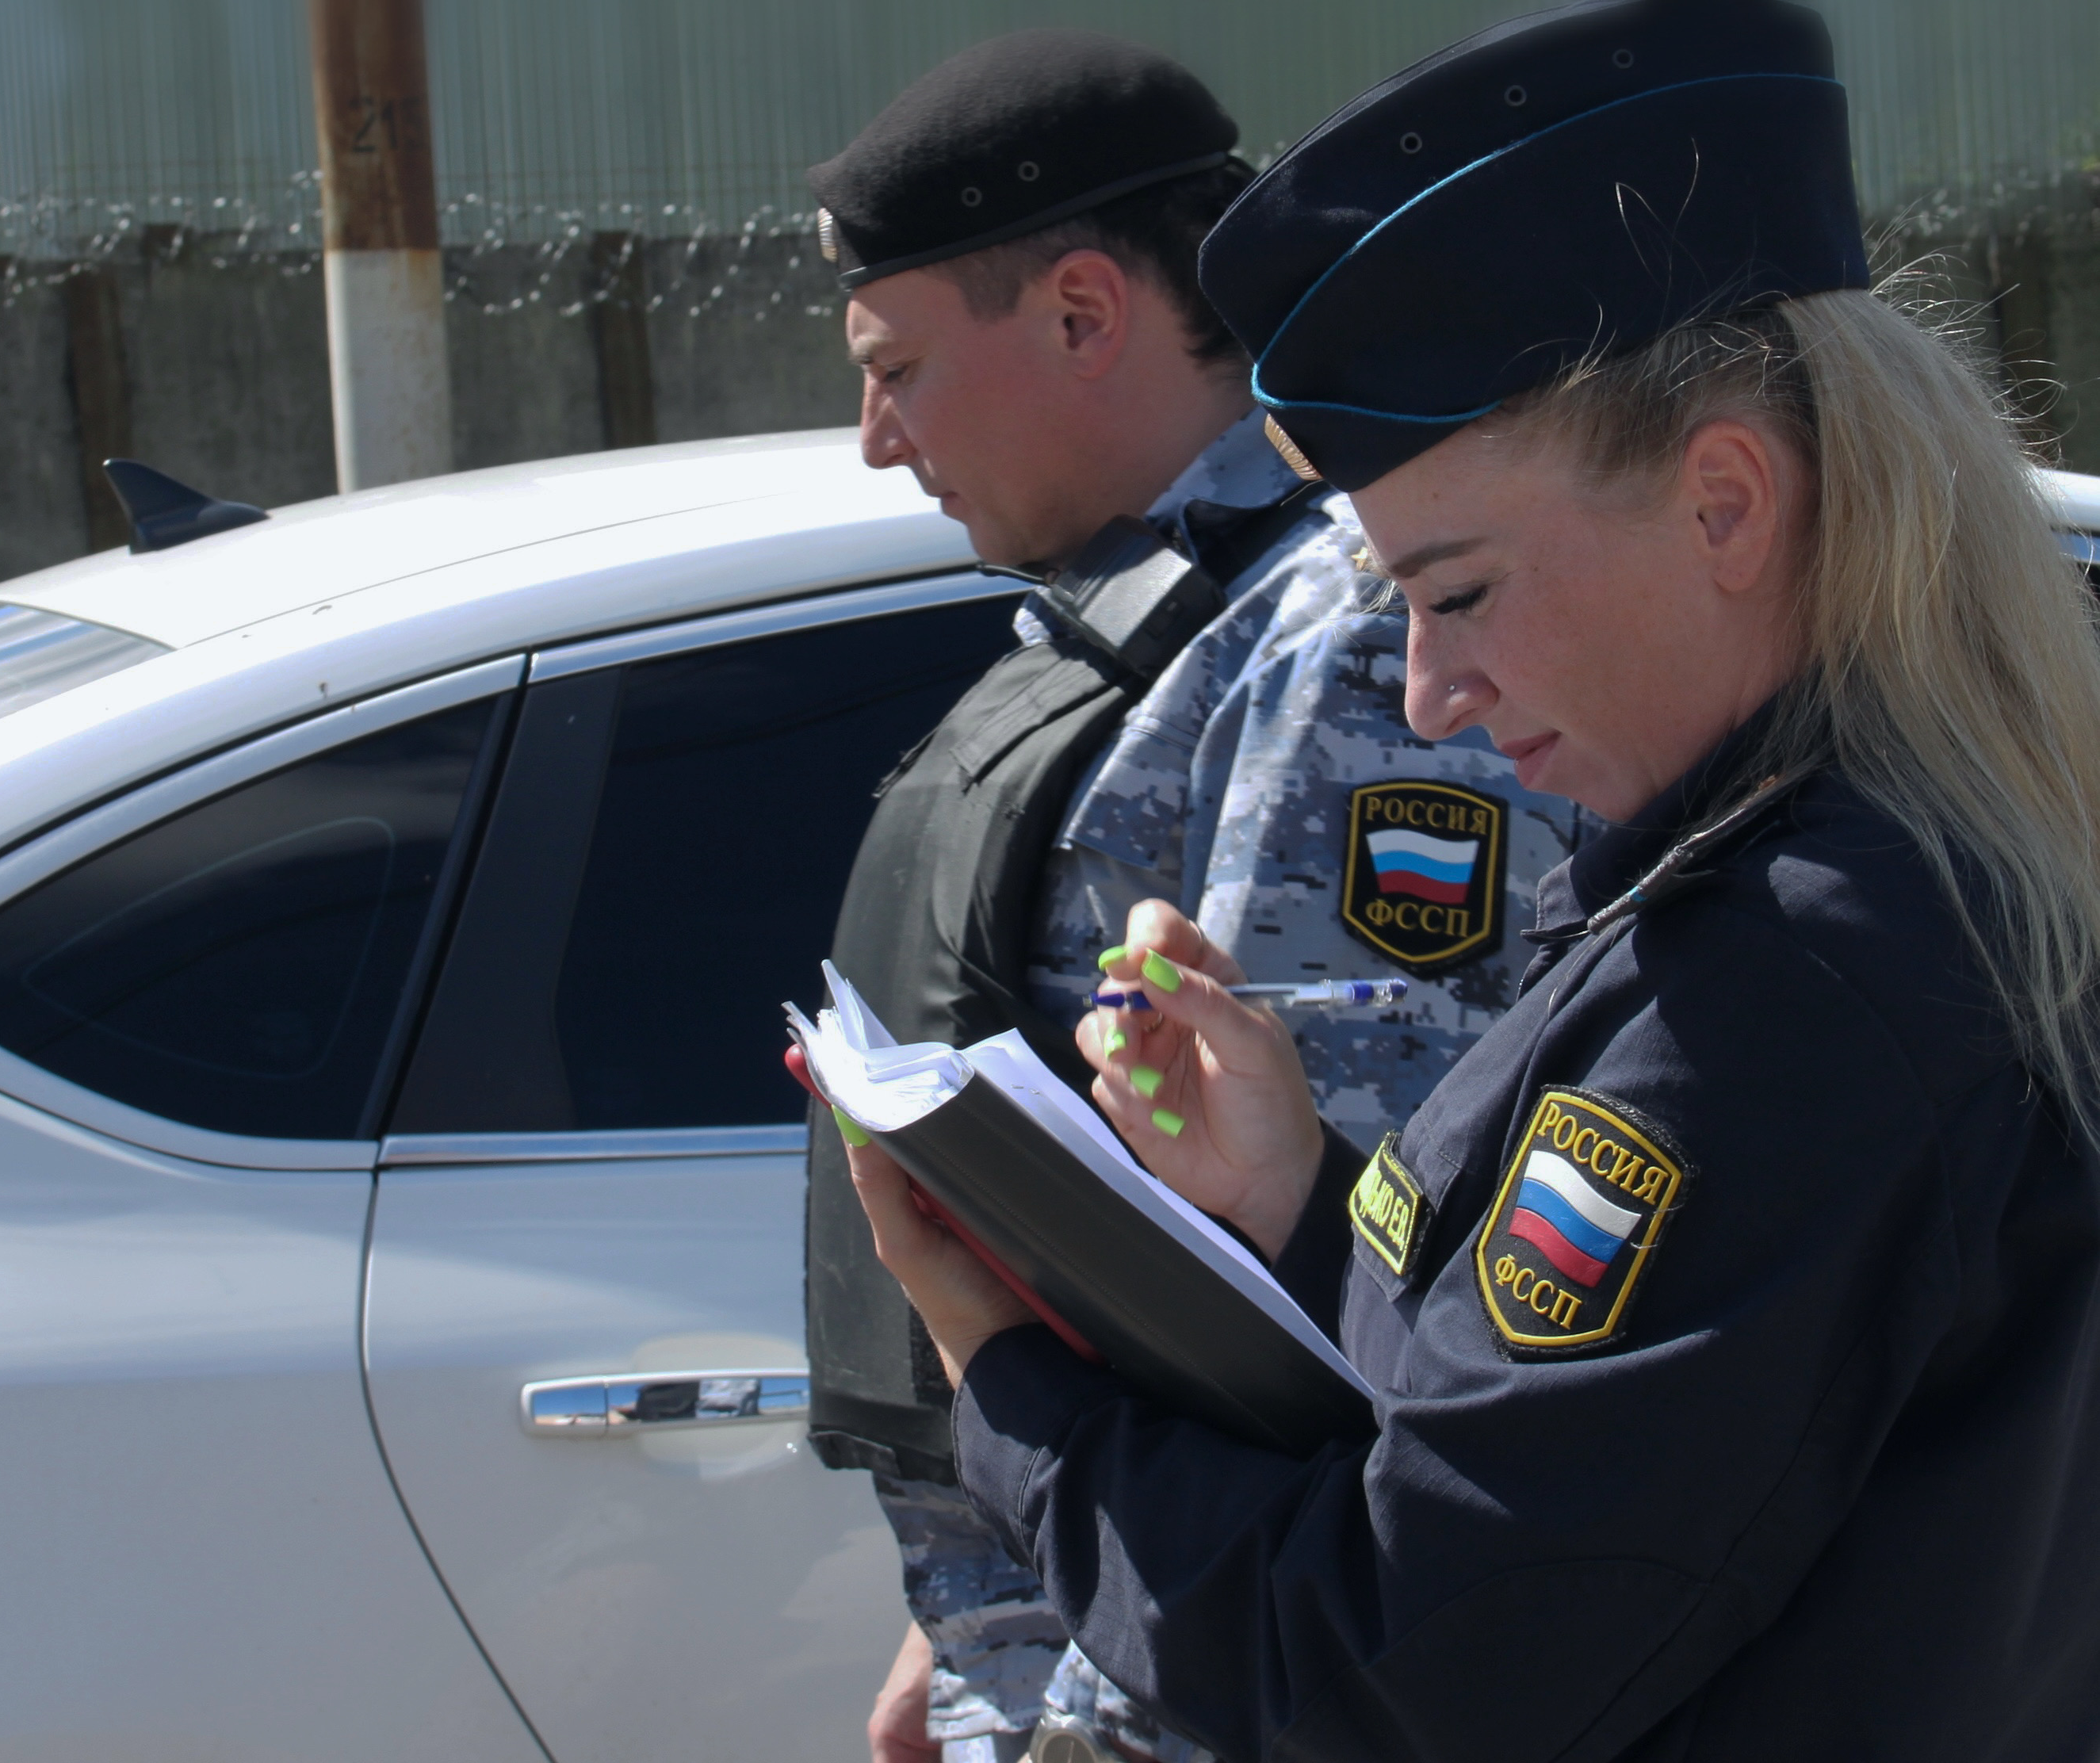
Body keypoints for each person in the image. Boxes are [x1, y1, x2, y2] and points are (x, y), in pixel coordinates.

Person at [840, 2, 2100, 1758]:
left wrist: (1003, 1375)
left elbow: (1390, 1664)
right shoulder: (1876, 870)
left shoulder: (1787, 981)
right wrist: (1295, 1194)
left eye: (1462, 589)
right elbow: (1585, 1436)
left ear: (1725, 502)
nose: (1427, 692)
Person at [801, 30, 1582, 1763]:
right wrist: (981, 1608)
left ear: (1084, 311)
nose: (873, 440)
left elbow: (1313, 1308)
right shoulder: (1168, 617)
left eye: (900, 367)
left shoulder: (1349, 639)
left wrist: (1092, 1705)